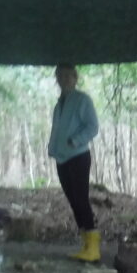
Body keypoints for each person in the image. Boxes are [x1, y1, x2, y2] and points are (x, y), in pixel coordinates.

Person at [47, 64, 100, 262]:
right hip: (62, 158)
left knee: (81, 199)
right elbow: (57, 130)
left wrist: (75, 140)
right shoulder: (58, 105)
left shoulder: (82, 100)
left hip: (78, 156)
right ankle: (86, 245)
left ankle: (94, 247)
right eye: (60, 76)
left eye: (68, 76)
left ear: (75, 78)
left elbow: (93, 127)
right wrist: (52, 149)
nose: (64, 79)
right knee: (73, 201)